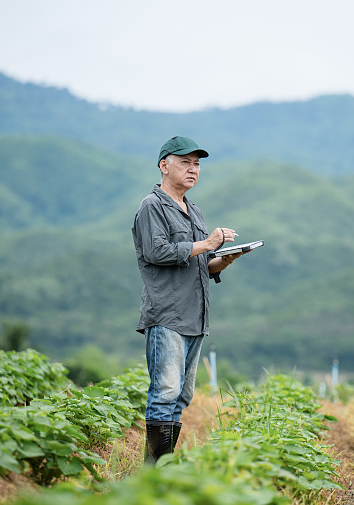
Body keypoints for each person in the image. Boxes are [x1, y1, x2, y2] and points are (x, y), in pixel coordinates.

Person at [131, 135, 247, 464]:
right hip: (167, 315)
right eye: (185, 162)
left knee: (181, 396)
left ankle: (162, 467)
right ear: (163, 165)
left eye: (197, 164)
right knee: (165, 392)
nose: (193, 169)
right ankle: (153, 473)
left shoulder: (193, 210)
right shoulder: (152, 206)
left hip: (195, 317)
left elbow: (201, 263)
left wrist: (224, 258)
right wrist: (207, 243)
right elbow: (157, 252)